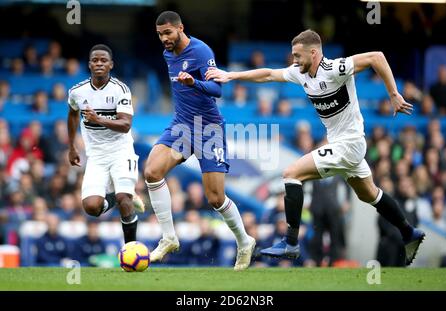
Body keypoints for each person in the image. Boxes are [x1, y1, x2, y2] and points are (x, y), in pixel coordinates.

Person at [206, 29, 425, 266]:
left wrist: (393, 94)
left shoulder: (335, 68)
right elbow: (268, 74)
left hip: (349, 144)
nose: (294, 60)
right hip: (344, 146)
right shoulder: (301, 73)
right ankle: (409, 232)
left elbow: (377, 57)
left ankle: (290, 242)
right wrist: (231, 75)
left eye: (298, 56)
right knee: (369, 194)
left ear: (313, 52)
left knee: (291, 174)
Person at [144, 11, 255, 271]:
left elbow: (217, 89)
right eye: (160, 34)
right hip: (182, 126)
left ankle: (244, 241)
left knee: (216, 198)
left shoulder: (201, 51)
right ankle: (169, 237)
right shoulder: (167, 54)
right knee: (151, 171)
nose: (164, 39)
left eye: (168, 33)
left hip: (208, 129)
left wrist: (194, 82)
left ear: (181, 28)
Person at [67, 44, 144, 244]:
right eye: (95, 60)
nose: (99, 63)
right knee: (91, 207)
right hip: (96, 156)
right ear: (89, 64)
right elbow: (73, 114)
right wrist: (72, 146)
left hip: (121, 151)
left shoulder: (121, 90)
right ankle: (116, 197)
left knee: (124, 198)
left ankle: (131, 250)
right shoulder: (77, 91)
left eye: (103, 60)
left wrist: (98, 119)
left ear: (111, 65)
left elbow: (126, 125)